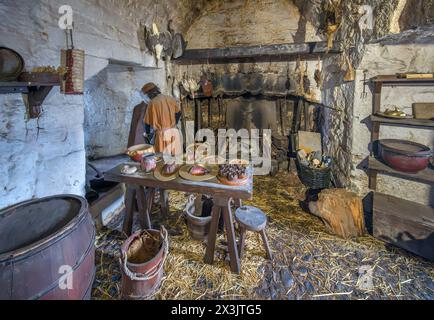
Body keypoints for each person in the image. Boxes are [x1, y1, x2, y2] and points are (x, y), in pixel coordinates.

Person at [140, 83, 182, 156]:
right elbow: (178, 113)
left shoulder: (152, 103)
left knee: (162, 159)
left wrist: (148, 134)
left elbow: (147, 122)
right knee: (175, 157)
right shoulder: (170, 98)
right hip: (173, 132)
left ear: (149, 94)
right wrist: (174, 123)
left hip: (161, 136)